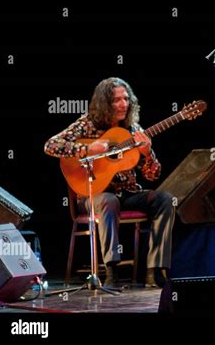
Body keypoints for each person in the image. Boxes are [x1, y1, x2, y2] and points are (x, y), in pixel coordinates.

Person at [44, 77, 175, 288]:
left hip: (127, 194)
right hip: (92, 196)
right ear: (104, 103)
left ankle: (155, 270)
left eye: (126, 99)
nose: (123, 104)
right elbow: (51, 145)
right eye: (116, 100)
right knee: (108, 201)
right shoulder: (87, 124)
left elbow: (153, 175)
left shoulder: (133, 130)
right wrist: (88, 149)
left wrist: (148, 154)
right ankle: (111, 272)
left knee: (165, 199)